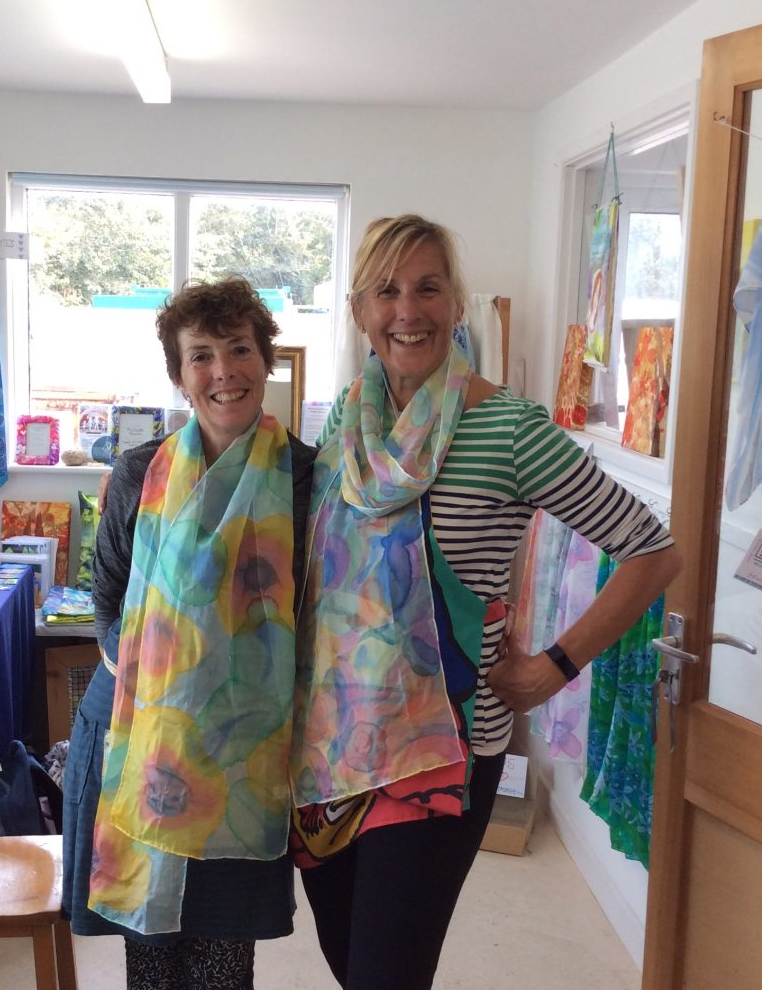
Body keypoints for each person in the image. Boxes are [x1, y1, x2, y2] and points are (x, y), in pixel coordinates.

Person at [289, 214, 682, 990]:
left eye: (429, 287)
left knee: (385, 974)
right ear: (361, 310)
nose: (409, 310)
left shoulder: (508, 428)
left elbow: (653, 549)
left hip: (446, 750)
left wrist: (555, 667)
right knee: (347, 960)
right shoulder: (345, 420)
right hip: (332, 744)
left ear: (456, 303)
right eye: (388, 291)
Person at [63, 277, 316, 990]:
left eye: (239, 349)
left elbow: (322, 612)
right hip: (142, 745)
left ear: (265, 361)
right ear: (179, 375)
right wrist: (163, 682)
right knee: (148, 956)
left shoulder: (306, 478)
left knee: (221, 960)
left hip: (243, 763)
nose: (223, 372)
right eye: (200, 355)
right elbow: (105, 601)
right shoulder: (139, 474)